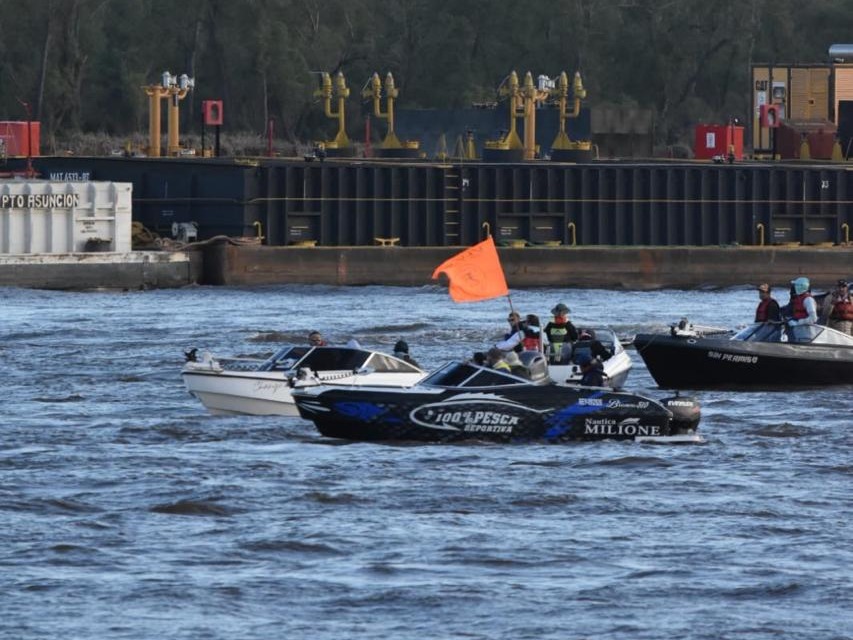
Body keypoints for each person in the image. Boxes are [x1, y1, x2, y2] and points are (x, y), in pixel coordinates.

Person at [783, 276, 818, 340]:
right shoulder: (798, 299)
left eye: (796, 285)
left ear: (801, 286)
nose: (795, 287)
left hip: (807, 334)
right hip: (799, 334)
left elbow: (813, 318)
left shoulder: (808, 300)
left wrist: (798, 323)